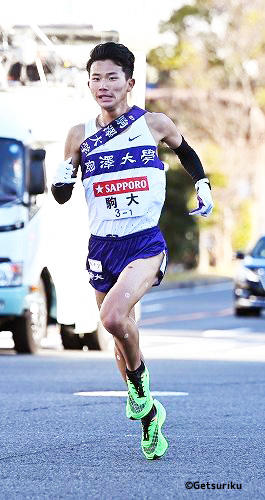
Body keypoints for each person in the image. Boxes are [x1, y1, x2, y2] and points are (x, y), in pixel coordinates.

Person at [51, 42, 213, 460]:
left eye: (111, 77)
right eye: (95, 78)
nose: (102, 85)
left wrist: (203, 183)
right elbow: (63, 195)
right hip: (102, 246)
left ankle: (140, 390)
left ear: (129, 82)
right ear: (88, 84)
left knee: (111, 317)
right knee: (121, 340)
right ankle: (149, 419)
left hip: (143, 242)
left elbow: (187, 151)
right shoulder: (79, 135)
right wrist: (63, 179)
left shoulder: (154, 123)